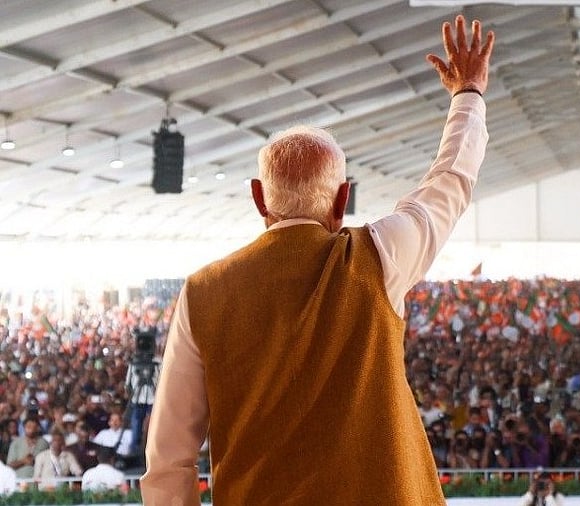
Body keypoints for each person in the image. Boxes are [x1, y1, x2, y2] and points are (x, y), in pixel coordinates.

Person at [140, 14, 494, 505]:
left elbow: (169, 458)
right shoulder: (381, 257)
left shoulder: (203, 291)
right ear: (341, 198)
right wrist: (468, 95)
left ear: (259, 198)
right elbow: (449, 182)